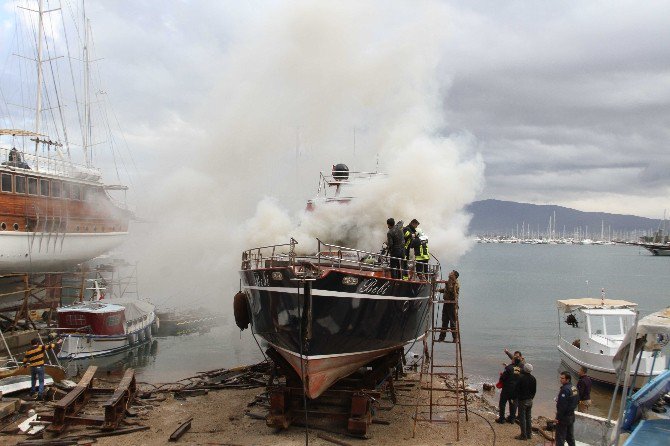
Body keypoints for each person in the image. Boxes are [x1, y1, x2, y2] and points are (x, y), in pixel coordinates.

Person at [555, 371, 579, 446]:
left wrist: (557, 417)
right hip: (571, 416)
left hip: (564, 418)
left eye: (562, 378)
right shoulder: (574, 388)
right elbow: (577, 400)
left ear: (567, 379)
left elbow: (562, 406)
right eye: (560, 377)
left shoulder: (565, 389)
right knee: (570, 437)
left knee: (560, 438)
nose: (560, 379)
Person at [497, 356, 522, 424]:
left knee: (502, 403)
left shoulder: (509, 368)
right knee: (513, 404)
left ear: (513, 361)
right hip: (516, 390)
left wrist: (501, 378)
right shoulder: (520, 369)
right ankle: (512, 419)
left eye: (512, 359)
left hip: (507, 389)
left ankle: (502, 418)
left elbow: (503, 377)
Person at [515, 363, 537, 440]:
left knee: (522, 418)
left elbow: (517, 389)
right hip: (530, 400)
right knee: (528, 417)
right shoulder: (533, 378)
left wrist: (516, 398)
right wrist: (531, 398)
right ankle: (529, 434)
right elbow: (534, 391)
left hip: (522, 400)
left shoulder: (521, 378)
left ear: (524, 369)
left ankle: (523, 435)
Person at [437, 270, 460, 342]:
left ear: (454, 276)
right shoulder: (449, 281)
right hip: (446, 303)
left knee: (452, 322)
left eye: (451, 273)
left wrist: (447, 283)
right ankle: (441, 337)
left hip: (451, 304)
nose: (449, 273)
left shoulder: (455, 283)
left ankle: (455, 338)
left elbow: (451, 291)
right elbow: (446, 290)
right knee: (444, 321)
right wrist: (439, 290)